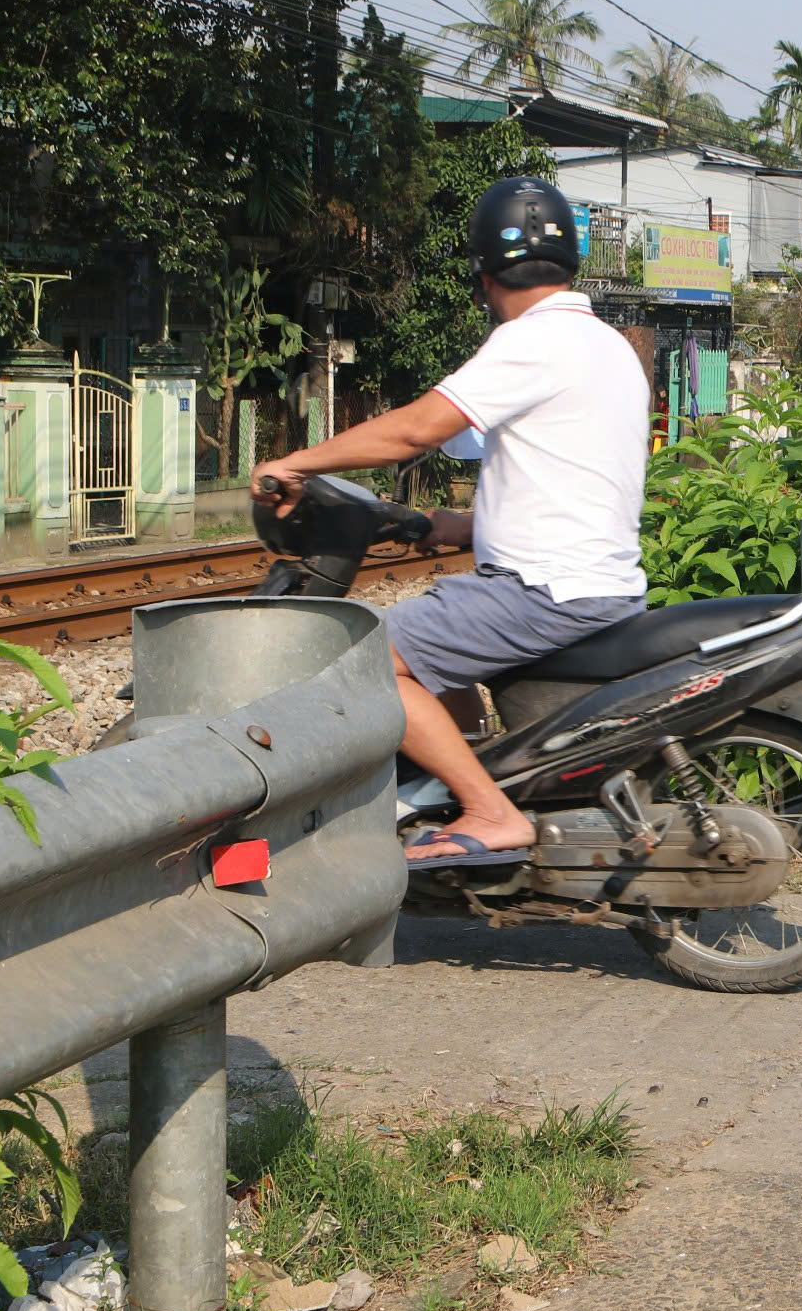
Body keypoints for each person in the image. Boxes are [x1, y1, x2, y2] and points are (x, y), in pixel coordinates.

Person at [250, 177, 650, 865]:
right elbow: (570, 475)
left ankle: (488, 810)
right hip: (593, 581)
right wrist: (457, 524)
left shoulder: (531, 340)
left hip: (543, 590)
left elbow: (416, 431)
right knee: (440, 620)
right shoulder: (607, 345)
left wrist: (301, 462)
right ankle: (454, 780)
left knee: (364, 656)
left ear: (484, 275)